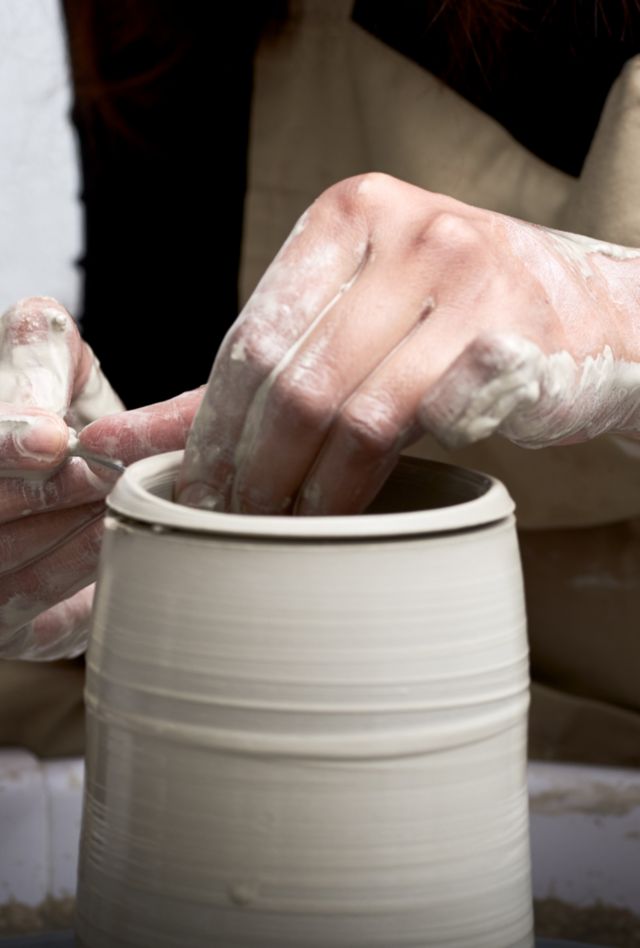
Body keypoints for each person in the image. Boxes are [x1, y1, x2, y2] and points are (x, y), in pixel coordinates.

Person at [1, 1, 640, 763]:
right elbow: (158, 357)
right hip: (266, 705)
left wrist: (613, 306)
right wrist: (65, 491)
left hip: (577, 732)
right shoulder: (170, 22)